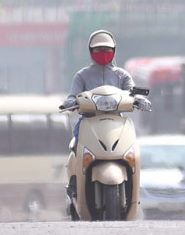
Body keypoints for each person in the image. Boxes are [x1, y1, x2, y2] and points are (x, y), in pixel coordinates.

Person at [59, 30, 150, 195]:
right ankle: (75, 180)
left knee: (131, 149)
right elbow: (73, 94)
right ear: (90, 51)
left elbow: (132, 92)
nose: (103, 53)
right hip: (89, 120)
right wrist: (70, 101)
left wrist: (140, 100)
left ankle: (134, 182)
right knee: (76, 143)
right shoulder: (82, 76)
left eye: (107, 50)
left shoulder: (122, 76)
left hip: (117, 121)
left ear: (114, 51)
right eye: (98, 50)